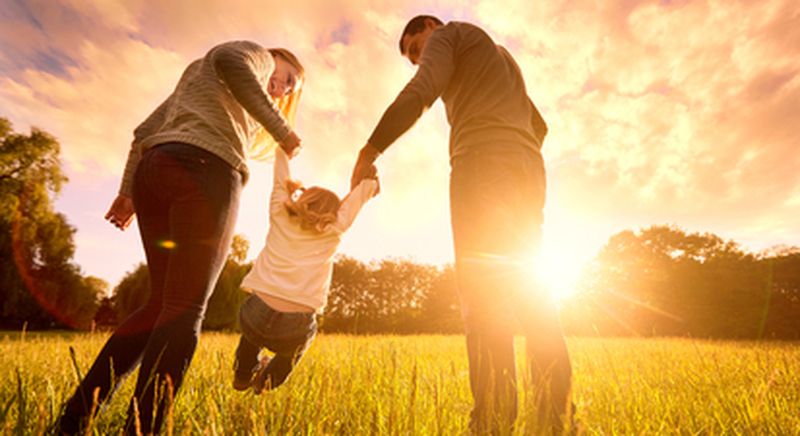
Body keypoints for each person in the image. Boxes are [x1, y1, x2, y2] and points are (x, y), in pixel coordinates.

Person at [57, 41, 305, 435]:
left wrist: (127, 192)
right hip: (205, 171)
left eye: (291, 89)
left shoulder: (199, 80)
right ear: (275, 58)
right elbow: (230, 59)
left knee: (160, 305)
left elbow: (144, 132)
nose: (284, 88)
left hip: (154, 172)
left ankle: (72, 423)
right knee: (185, 309)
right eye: (287, 76)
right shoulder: (255, 55)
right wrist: (283, 130)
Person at [350, 15, 573, 433]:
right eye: (413, 57)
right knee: (532, 293)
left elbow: (422, 90)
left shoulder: (449, 35)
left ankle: (491, 422)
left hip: (481, 164)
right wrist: (514, 149)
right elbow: (539, 125)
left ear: (430, 26)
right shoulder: (500, 57)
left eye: (417, 49)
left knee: (484, 294)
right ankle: (554, 419)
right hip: (527, 168)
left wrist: (370, 150)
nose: (419, 59)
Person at [231, 145, 378, 394]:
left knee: (251, 336)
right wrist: (369, 181)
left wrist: (283, 150)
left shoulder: (280, 213)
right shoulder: (334, 229)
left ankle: (243, 374)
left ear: (304, 199)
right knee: (292, 351)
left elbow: (280, 179)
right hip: (295, 324)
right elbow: (358, 199)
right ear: (334, 213)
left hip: (256, 312)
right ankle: (266, 382)